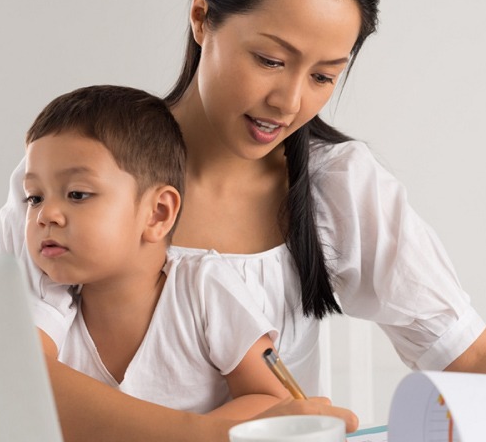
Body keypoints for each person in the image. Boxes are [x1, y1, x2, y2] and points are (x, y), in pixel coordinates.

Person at [0, 0, 486, 442]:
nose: (288, 100)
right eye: (270, 59)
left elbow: (469, 357)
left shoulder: (340, 187)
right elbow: (16, 376)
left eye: (324, 75)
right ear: (201, 17)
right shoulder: (74, 178)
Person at [23, 85, 294, 422]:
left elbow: (274, 399)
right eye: (34, 197)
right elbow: (19, 395)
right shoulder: (47, 300)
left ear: (158, 213)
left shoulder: (203, 288)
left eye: (77, 194)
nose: (45, 215)